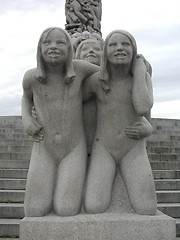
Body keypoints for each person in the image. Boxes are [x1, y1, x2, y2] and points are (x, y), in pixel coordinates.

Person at [21, 27, 99, 217]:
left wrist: (138, 67)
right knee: (34, 209)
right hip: (44, 147)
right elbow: (26, 98)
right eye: (47, 42)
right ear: (39, 48)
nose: (53, 47)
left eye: (60, 42)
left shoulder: (80, 70)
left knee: (67, 209)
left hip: (73, 148)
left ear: (69, 49)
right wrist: (27, 119)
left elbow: (110, 72)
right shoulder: (31, 77)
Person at [84, 30, 157, 215]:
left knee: (146, 208)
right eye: (113, 45)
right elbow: (69, 99)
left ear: (134, 50)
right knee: (94, 206)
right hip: (104, 148)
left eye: (125, 44)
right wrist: (35, 108)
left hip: (133, 148)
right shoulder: (96, 81)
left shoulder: (141, 78)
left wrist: (140, 71)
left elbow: (142, 109)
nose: (119, 49)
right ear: (105, 52)